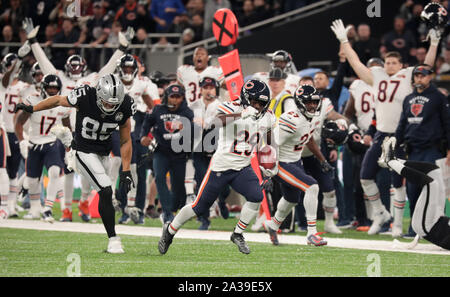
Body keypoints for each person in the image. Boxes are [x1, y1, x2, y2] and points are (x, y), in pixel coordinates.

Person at [331, 18, 440, 235]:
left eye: (393, 63)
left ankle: (398, 225)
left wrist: (434, 44)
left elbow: (426, 67)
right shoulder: (377, 78)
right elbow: (355, 63)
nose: (389, 66)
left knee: (397, 182)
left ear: (401, 66)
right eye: (387, 62)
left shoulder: (407, 76)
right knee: (365, 176)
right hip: (381, 134)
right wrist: (344, 41)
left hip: (401, 136)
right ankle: (381, 213)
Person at [15, 73, 136, 254]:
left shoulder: (125, 104)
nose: (111, 106)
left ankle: (68, 142)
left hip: (103, 153)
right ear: (99, 94)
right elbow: (57, 100)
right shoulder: (85, 95)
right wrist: (33, 108)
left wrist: (126, 171)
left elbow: (126, 140)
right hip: (84, 150)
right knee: (106, 190)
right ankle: (114, 240)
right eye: (107, 102)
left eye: (114, 103)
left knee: (102, 192)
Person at [158, 79, 275, 255]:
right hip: (221, 167)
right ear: (245, 99)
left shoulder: (268, 116)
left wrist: (270, 168)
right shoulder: (232, 107)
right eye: (253, 102)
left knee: (256, 196)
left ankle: (237, 234)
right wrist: (241, 114)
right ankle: (170, 230)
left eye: (261, 103)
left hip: (243, 167)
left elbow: (270, 140)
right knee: (199, 207)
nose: (257, 106)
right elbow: (214, 124)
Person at [263, 85, 331, 246]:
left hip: (294, 161)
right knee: (312, 186)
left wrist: (322, 160)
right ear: (300, 103)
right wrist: (267, 172)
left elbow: (309, 138)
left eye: (315, 102)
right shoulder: (291, 119)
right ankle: (312, 233)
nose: (312, 106)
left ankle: (272, 225)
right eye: (308, 103)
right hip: (280, 162)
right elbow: (271, 144)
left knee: (291, 199)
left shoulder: (311, 118)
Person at [393, 64, 450, 237]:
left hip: (433, 150)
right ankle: (414, 229)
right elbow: (402, 124)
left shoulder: (439, 98)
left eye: (423, 75)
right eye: (417, 75)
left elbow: (448, 124)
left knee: (435, 191)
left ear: (430, 77)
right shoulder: (408, 98)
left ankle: (434, 230)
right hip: (413, 150)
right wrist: (395, 145)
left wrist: (449, 150)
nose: (419, 78)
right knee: (413, 190)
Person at [14, 74, 71, 222]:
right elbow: (19, 123)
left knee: (54, 172)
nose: (52, 90)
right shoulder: (33, 100)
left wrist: (69, 149)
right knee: (32, 181)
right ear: (43, 88)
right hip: (34, 143)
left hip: (52, 143)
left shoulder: (62, 104)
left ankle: (48, 209)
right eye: (50, 87)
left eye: (55, 88)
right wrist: (22, 141)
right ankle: (34, 209)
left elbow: (67, 128)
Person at [378, 137, 450, 250]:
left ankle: (391, 162)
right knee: (435, 170)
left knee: (432, 185)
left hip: (428, 225)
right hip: (438, 217)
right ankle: (394, 161)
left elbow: (444, 241)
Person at [114, 54, 159, 224]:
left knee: (139, 172)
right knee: (124, 169)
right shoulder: (115, 82)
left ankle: (138, 210)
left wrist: (151, 131)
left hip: (140, 128)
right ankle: (125, 209)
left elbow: (155, 107)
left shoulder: (146, 84)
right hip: (122, 128)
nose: (128, 71)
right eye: (124, 68)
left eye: (132, 67)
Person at [140, 84, 194, 224]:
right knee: (159, 178)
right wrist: (142, 137)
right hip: (161, 151)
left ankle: (176, 208)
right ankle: (167, 212)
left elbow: (193, 133)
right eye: (172, 97)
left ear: (182, 98)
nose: (175, 100)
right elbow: (147, 123)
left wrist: (186, 128)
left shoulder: (187, 112)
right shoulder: (158, 110)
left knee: (178, 186)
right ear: (166, 98)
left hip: (179, 153)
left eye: (178, 97)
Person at [190, 76, 230, 229]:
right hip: (199, 148)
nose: (208, 90)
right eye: (205, 87)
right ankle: (204, 218)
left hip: (217, 148)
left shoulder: (221, 105)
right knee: (202, 182)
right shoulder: (194, 105)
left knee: (224, 184)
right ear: (200, 89)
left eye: (211, 87)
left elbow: (218, 123)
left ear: (215, 89)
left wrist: (204, 124)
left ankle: (222, 200)